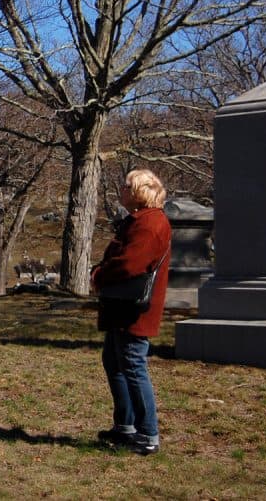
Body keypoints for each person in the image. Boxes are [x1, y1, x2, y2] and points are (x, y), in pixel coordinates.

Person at [90, 169, 171, 455]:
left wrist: (99, 274)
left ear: (140, 191)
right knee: (115, 362)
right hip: (121, 307)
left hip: (133, 309)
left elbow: (130, 264)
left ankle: (148, 433)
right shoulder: (138, 220)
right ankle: (125, 427)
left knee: (133, 366)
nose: (121, 190)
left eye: (127, 186)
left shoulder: (149, 224)